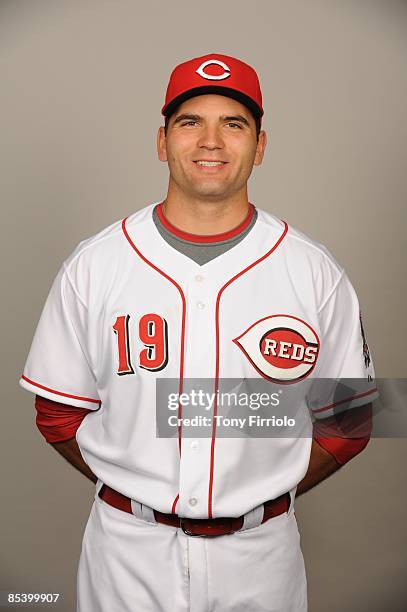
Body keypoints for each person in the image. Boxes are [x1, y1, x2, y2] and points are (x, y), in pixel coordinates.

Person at [20, 53, 378, 612]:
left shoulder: (313, 270)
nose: (211, 141)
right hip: (127, 553)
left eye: (233, 124)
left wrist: (262, 491)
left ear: (260, 146)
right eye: (190, 122)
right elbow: (57, 415)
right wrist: (133, 480)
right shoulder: (95, 264)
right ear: (161, 141)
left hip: (262, 556)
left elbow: (350, 422)